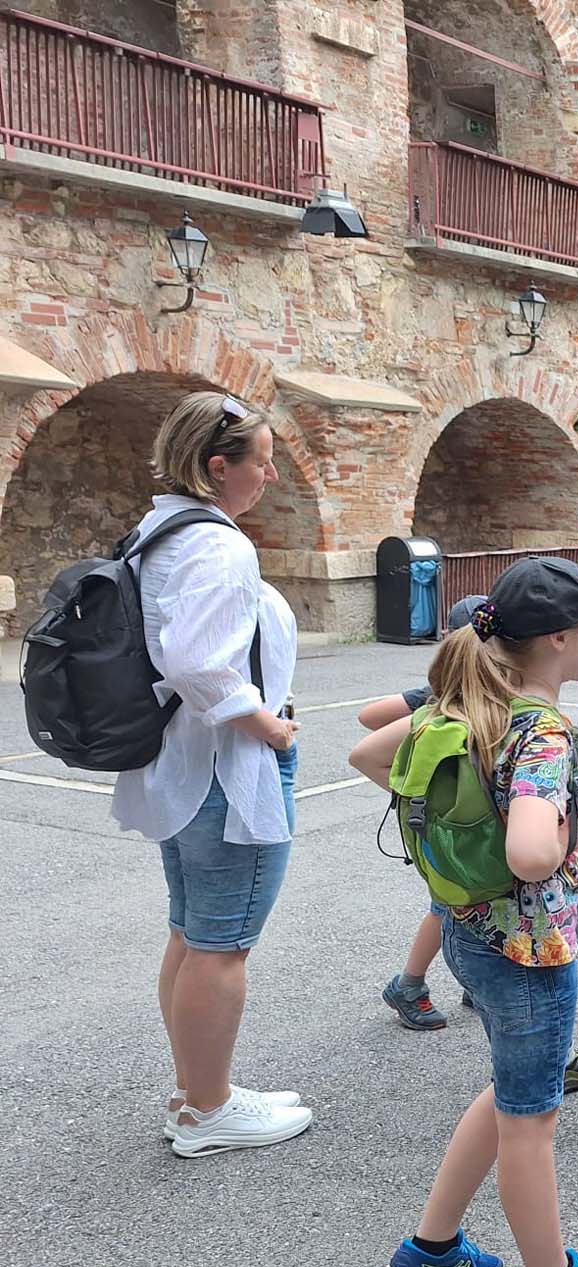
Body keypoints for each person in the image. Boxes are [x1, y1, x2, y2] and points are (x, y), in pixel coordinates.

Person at [354, 556, 578, 1267]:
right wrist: (550, 827)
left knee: (514, 1089)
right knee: (531, 1119)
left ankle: (433, 1245)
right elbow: (532, 854)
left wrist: (463, 827)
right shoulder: (541, 731)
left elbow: (369, 755)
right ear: (558, 639)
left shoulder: (467, 702)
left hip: (468, 930)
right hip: (528, 951)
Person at [111, 393, 311, 1157]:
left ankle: (196, 1089)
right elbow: (199, 663)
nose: (270, 474)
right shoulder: (218, 546)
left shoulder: (157, 530)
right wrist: (268, 726)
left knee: (192, 934)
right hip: (227, 770)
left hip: (180, 766)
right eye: (262, 461)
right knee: (222, 946)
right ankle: (208, 1109)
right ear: (218, 465)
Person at [362, 594, 489, 1032]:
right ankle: (408, 984)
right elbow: (368, 726)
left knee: (469, 901)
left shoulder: (444, 695)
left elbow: (369, 718)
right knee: (448, 904)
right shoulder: (445, 701)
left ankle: (477, 978)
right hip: (450, 822)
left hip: (461, 821)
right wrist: (417, 791)